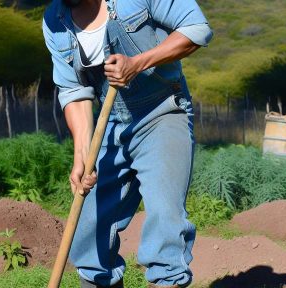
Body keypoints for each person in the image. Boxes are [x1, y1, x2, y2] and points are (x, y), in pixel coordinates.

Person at [42, 0, 212, 287]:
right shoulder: (54, 21)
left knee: (164, 223)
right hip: (111, 122)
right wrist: (82, 157)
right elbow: (73, 90)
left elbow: (196, 29)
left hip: (162, 111)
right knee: (89, 229)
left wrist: (138, 63)